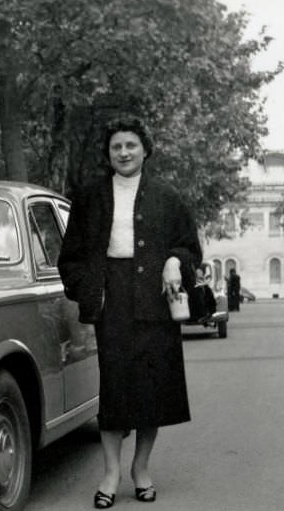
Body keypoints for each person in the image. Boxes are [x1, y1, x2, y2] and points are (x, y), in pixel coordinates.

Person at [58, 116, 202, 509]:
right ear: (109, 154)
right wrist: (89, 291)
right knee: (117, 389)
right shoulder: (89, 198)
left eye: (131, 146)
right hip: (112, 301)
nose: (124, 153)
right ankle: (110, 473)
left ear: (145, 150)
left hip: (156, 299)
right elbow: (69, 256)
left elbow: (191, 247)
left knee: (152, 389)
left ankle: (141, 469)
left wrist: (174, 260)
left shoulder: (167, 197)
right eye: (116, 147)